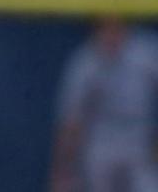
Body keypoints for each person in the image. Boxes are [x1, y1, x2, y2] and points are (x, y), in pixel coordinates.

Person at [49, 17, 158, 192]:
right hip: (102, 141)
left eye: (115, 27)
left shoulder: (146, 52)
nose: (110, 35)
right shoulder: (86, 61)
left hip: (139, 140)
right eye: (104, 28)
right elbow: (71, 122)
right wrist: (62, 169)